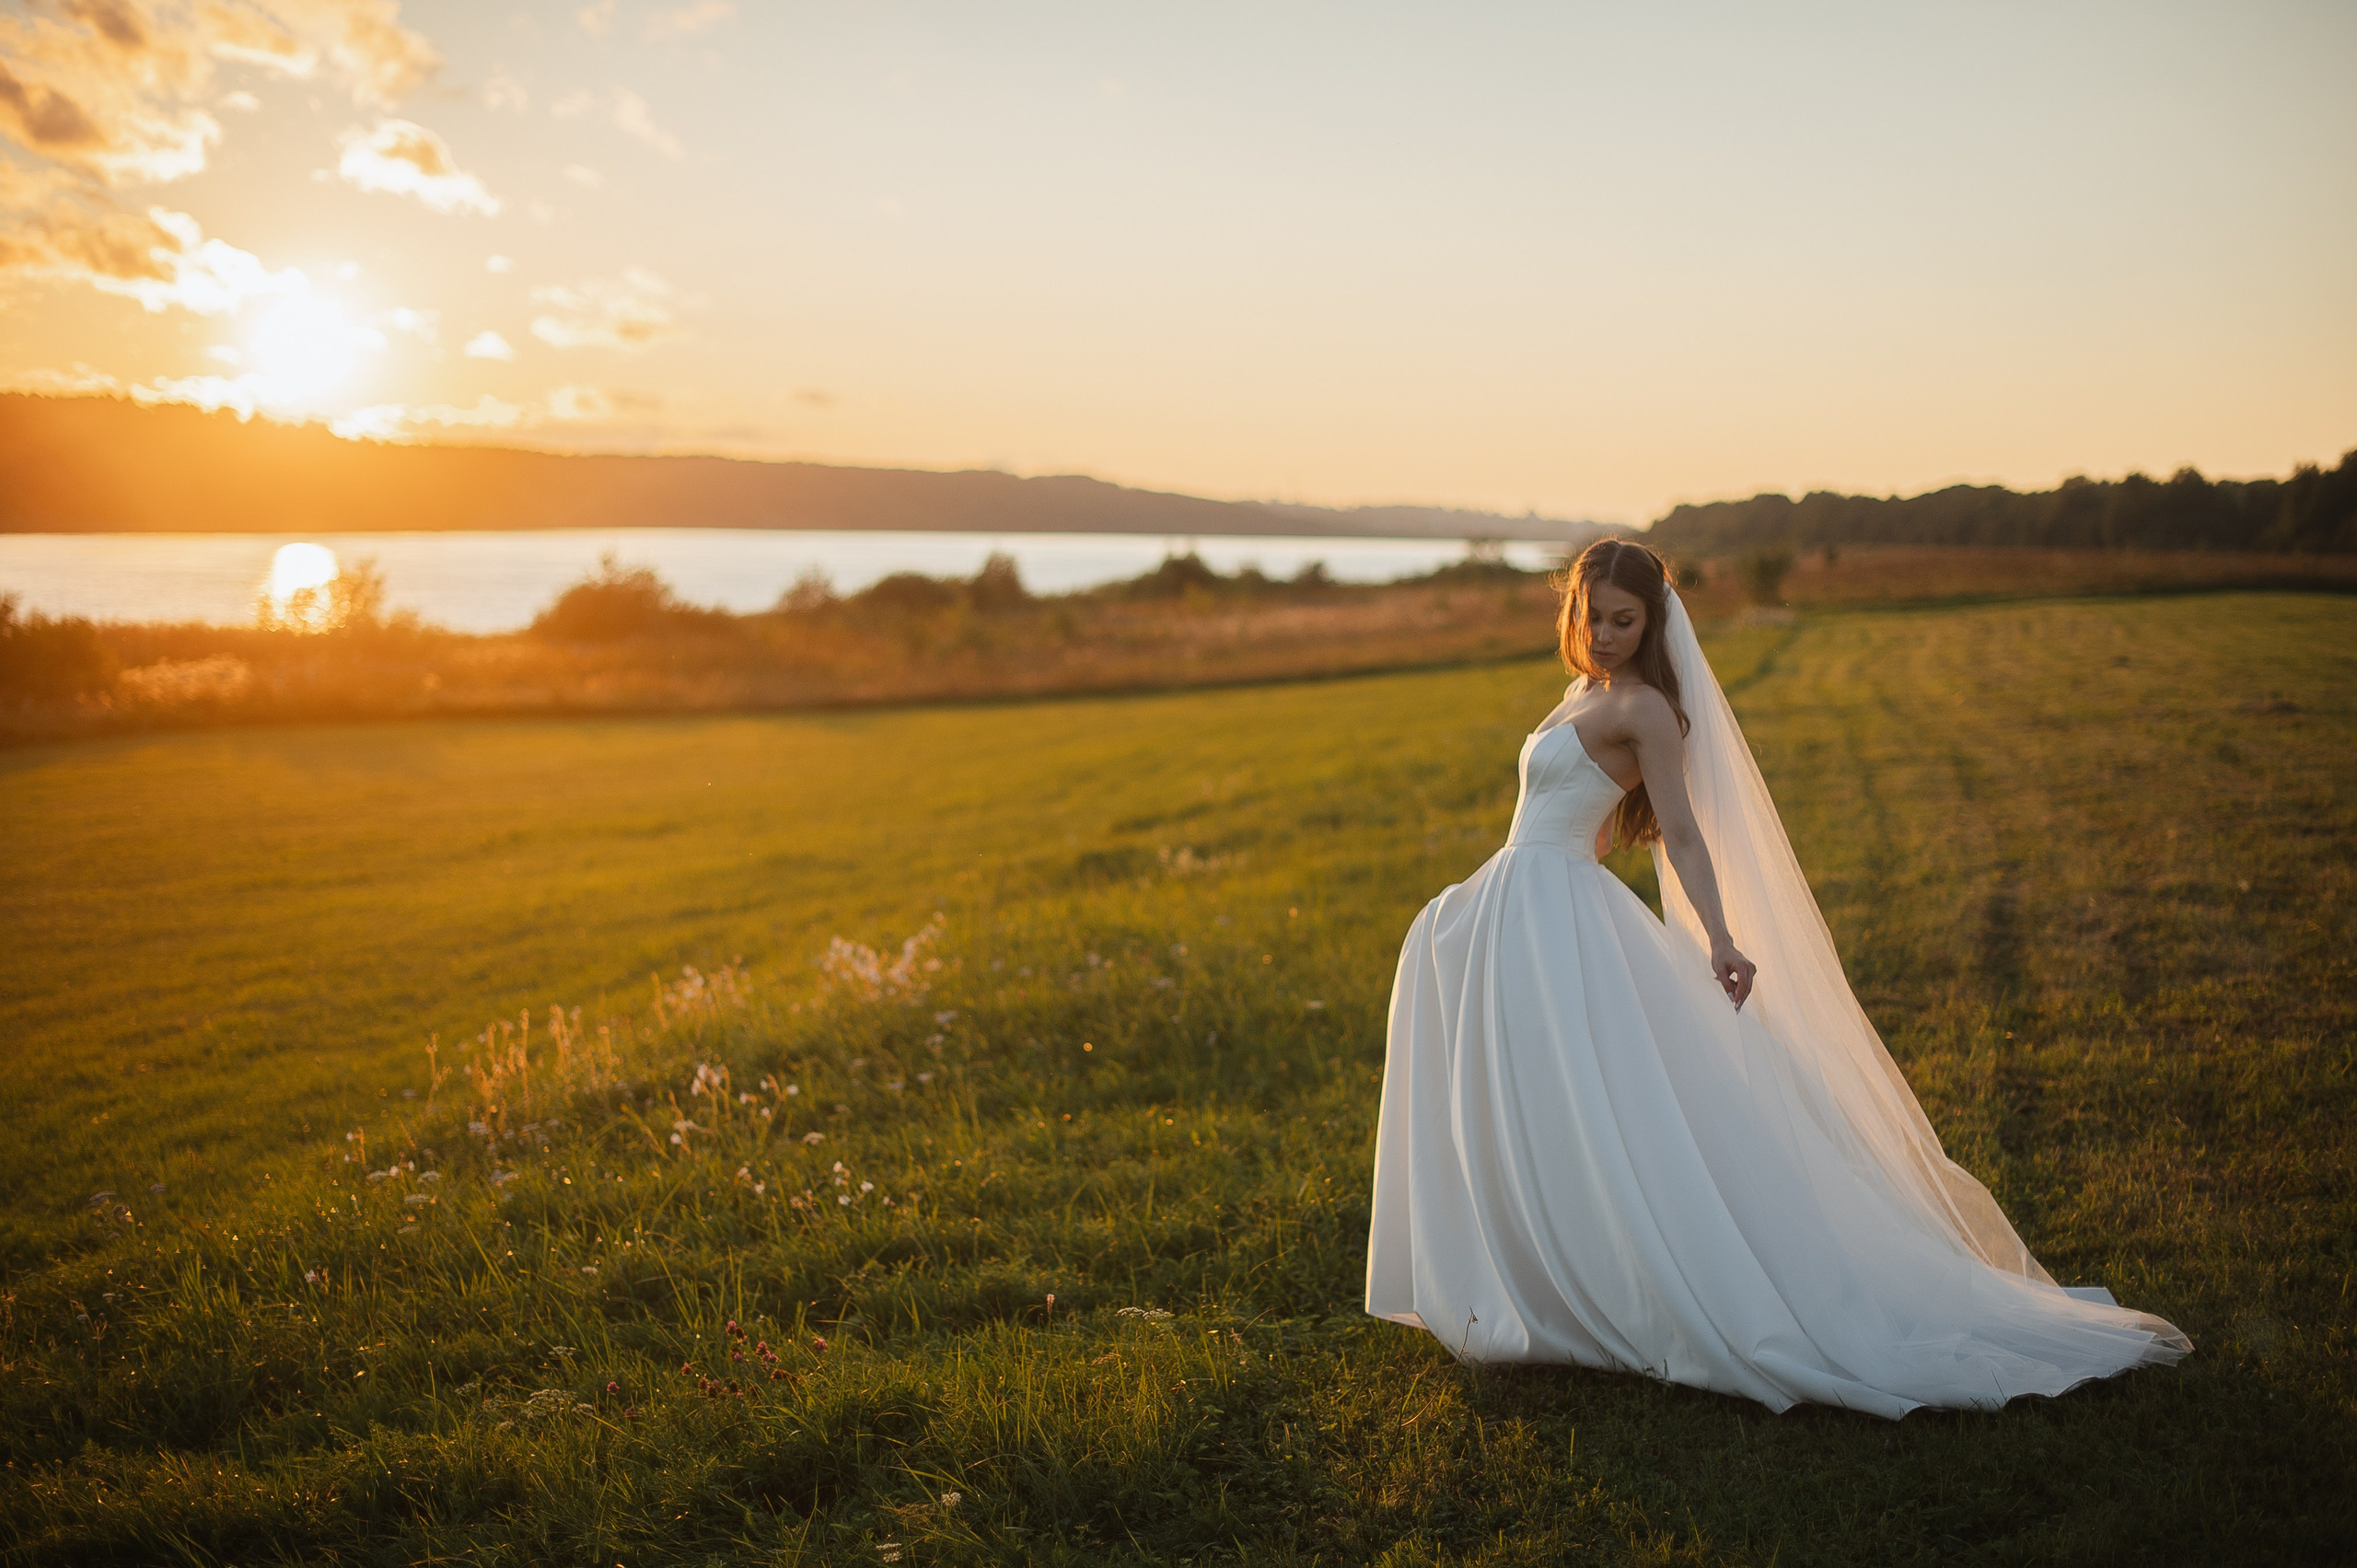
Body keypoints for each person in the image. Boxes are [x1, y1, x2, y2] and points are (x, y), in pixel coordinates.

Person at [1363, 539, 2189, 1417]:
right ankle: (1538, 1268)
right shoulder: (1582, 695)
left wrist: (1720, 934)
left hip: (1555, 904)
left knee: (1603, 1103)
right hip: (1527, 902)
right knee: (1535, 1092)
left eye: (1623, 619)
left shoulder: (1645, 710)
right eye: (1591, 615)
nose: (1603, 634)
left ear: (1653, 623)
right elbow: (1591, 822)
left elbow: (1679, 832)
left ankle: (1619, 1282)